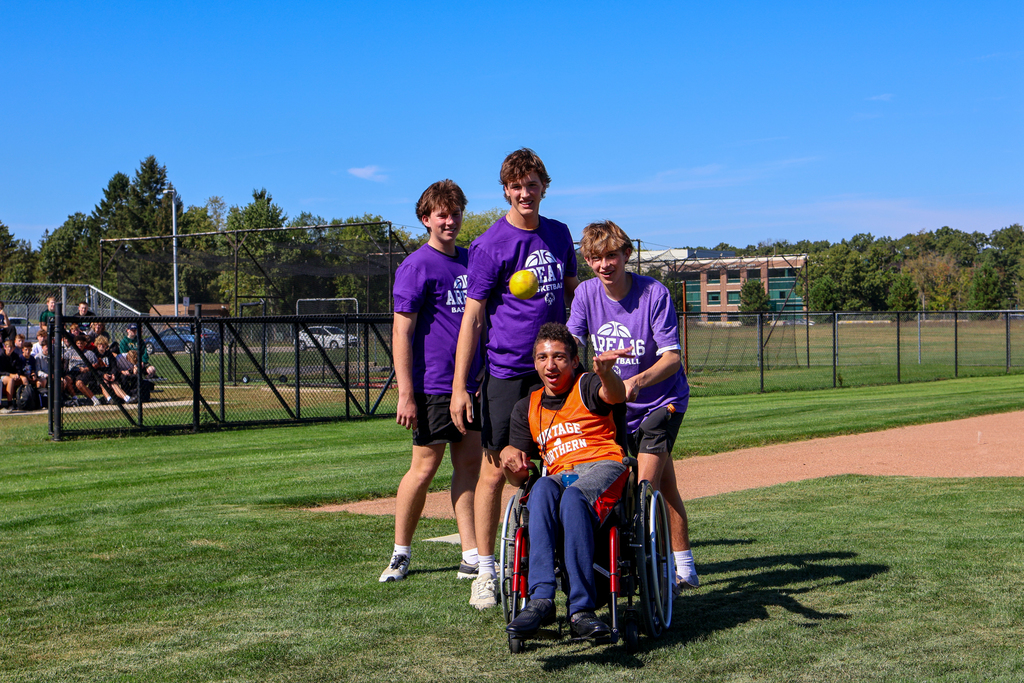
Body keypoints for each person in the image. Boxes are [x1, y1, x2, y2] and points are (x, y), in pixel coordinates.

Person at [450, 148, 579, 609]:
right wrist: (460, 386)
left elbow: (573, 299)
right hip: (506, 373)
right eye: (516, 186)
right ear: (506, 190)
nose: (525, 193)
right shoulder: (489, 245)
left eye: (532, 184)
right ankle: (485, 570)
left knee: (565, 462)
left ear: (544, 186)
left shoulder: (560, 235)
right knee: (497, 471)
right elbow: (472, 319)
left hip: (557, 371)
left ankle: (562, 560)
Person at [567, 220, 699, 590]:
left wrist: (636, 381)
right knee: (664, 486)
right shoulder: (585, 295)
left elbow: (672, 357)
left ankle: (650, 572)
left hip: (661, 402)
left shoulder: (654, 293)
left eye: (611, 255)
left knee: (643, 490)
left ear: (626, 254)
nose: (604, 264)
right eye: (595, 258)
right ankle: (685, 567)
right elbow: (573, 345)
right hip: (618, 407)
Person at [379, 179, 484, 583]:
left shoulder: (470, 260)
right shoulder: (416, 265)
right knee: (424, 468)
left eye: (455, 212)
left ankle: (471, 553)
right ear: (426, 219)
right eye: (441, 213)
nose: (450, 220)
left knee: (468, 466)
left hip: (470, 384)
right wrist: (406, 394)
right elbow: (401, 332)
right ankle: (400, 553)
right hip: (433, 385)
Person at [500, 323, 633, 639]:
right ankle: (541, 598)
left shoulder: (587, 385)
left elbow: (614, 395)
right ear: (535, 363)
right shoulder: (527, 407)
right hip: (559, 475)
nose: (550, 365)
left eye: (559, 357)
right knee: (541, 488)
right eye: (542, 357)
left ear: (574, 361)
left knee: (574, 497)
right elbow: (518, 476)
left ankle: (581, 610)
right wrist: (508, 457)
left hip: (603, 466)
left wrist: (606, 374)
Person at [91, 336, 130, 404]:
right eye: (100, 344)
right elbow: (94, 369)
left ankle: (127, 398)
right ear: (97, 345)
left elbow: (114, 366)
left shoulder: (109, 354)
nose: (102, 346)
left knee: (114, 383)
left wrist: (113, 374)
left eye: (104, 344)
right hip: (99, 376)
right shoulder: (94, 354)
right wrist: (103, 375)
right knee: (104, 383)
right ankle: (109, 399)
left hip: (109, 374)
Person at [1, 338, 24, 410]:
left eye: (11, 347)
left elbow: (19, 368)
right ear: (5, 347)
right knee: (10, 380)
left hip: (14, 375)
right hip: (3, 376)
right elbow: (0, 371)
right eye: (8, 347)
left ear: (14, 348)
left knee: (24, 379)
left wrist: (17, 374)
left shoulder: (15, 356)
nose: (10, 349)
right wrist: (10, 374)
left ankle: (23, 402)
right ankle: (9, 403)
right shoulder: (1, 356)